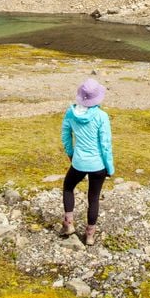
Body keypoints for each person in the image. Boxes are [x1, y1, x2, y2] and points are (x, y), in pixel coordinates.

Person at [60, 78, 114, 246]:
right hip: (98, 165)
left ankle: (68, 224)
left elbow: (65, 136)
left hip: (78, 162)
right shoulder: (101, 116)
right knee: (94, 198)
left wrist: (71, 154)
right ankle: (90, 235)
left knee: (68, 187)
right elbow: (105, 145)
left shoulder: (70, 113)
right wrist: (110, 168)